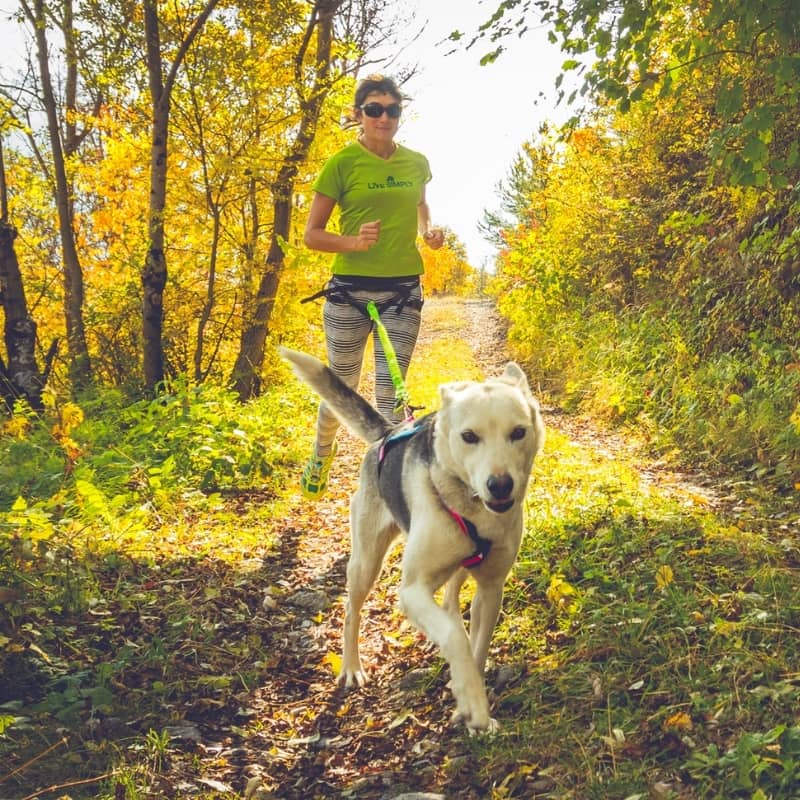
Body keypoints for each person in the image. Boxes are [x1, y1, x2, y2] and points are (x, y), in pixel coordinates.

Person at [299, 74, 444, 500]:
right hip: (349, 292)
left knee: (390, 395)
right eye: (374, 109)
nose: (384, 117)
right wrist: (353, 242)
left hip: (402, 290)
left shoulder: (415, 163)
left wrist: (429, 232)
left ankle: (387, 489)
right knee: (341, 386)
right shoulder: (342, 163)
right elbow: (312, 234)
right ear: (359, 114)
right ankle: (322, 451)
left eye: (392, 110)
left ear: (400, 114)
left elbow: (420, 206)